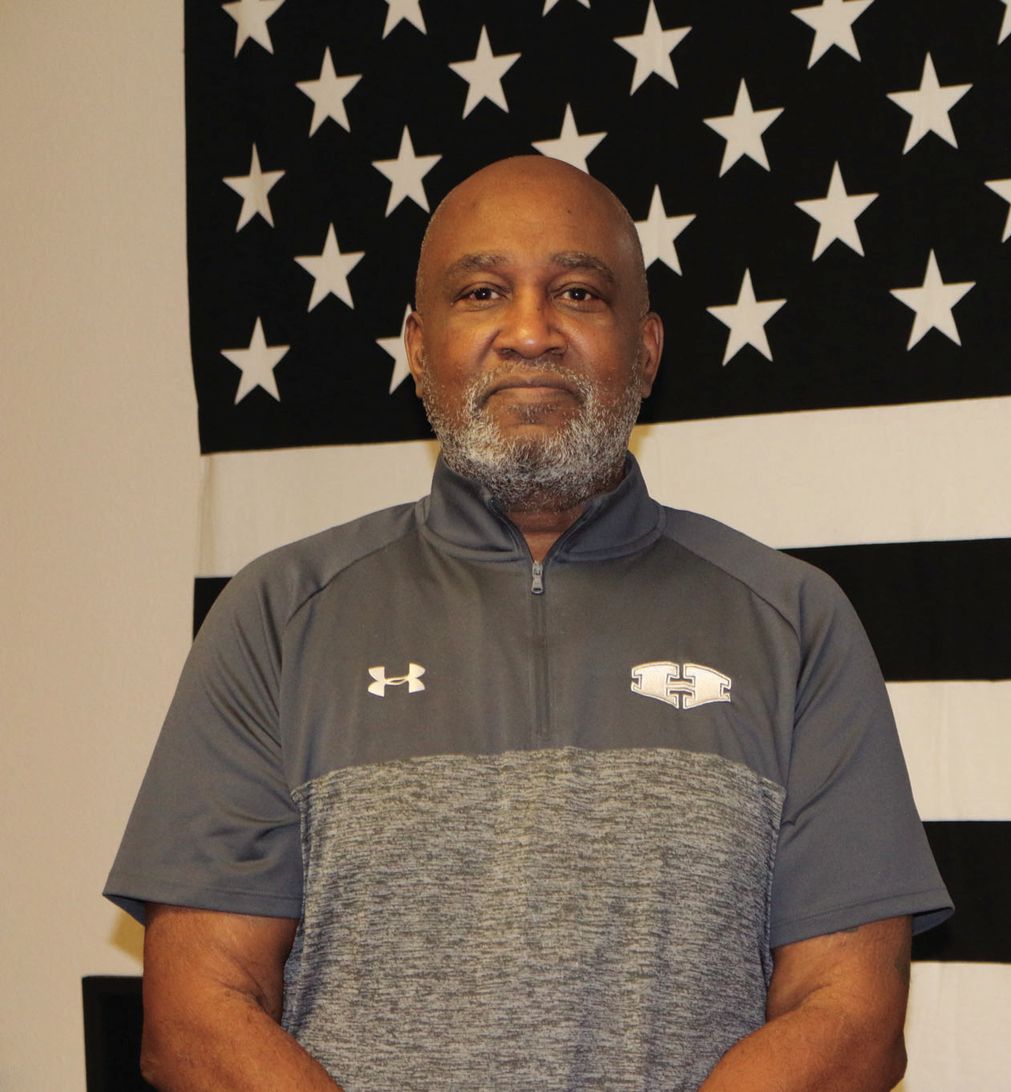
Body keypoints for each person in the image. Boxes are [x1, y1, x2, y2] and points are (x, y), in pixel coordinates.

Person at [106, 155, 951, 1091]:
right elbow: (197, 1017)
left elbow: (850, 1020)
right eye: (481, 292)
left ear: (647, 349)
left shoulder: (793, 622)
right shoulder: (276, 615)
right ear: (419, 348)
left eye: (579, 293)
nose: (529, 333)